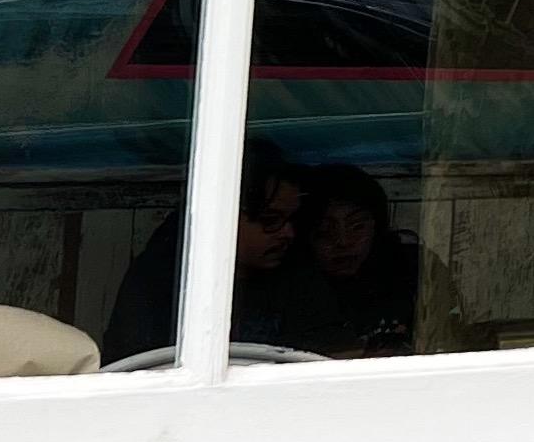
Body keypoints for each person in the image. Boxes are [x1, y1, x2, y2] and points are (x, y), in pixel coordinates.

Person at [101, 140, 306, 364]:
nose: (288, 233)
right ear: (223, 213)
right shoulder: (163, 279)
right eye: (271, 220)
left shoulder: (294, 268)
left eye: (292, 219)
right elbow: (149, 374)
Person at [263, 163, 427, 359]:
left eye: (357, 227)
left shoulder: (412, 267)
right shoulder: (293, 286)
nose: (343, 242)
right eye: (324, 230)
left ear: (376, 226)